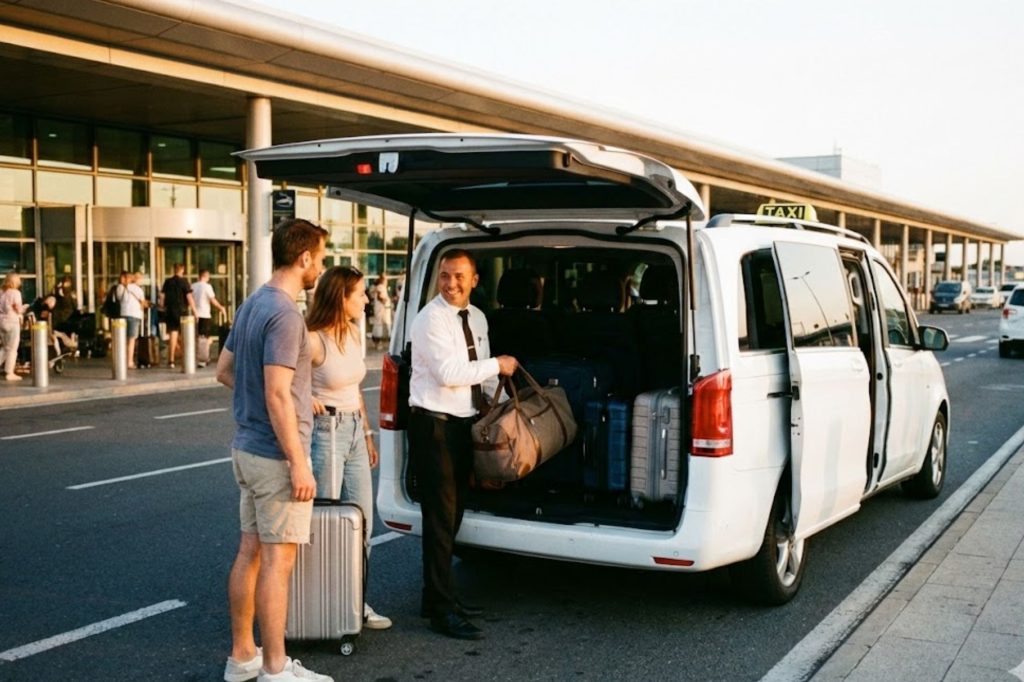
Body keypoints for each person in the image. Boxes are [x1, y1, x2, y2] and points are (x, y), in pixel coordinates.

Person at [215, 218, 332, 682]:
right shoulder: (285, 313)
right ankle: (275, 668)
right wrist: (299, 462)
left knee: (251, 552)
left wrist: (287, 399)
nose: (320, 268)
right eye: (320, 259)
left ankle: (242, 657)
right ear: (304, 257)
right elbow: (278, 392)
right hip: (275, 457)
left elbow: (225, 370)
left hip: (246, 447)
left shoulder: (253, 304)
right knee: (277, 562)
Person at [408, 249, 518, 640]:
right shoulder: (429, 319)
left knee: (453, 518)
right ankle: (441, 609)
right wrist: (498, 365)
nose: (451, 284)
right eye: (444, 276)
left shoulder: (478, 317)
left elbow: (484, 378)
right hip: (433, 426)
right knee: (440, 520)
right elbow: (450, 373)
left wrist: (506, 412)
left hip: (463, 426)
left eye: (458, 277)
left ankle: (435, 597)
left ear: (475, 280)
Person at [306, 265, 391, 631]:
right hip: (326, 431)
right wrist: (305, 397)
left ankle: (354, 602)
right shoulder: (313, 339)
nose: (366, 299)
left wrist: (368, 435)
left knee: (362, 524)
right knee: (324, 524)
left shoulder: (355, 334)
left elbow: (356, 389)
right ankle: (319, 607)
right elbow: (279, 382)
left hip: (355, 430)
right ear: (341, 297)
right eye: (359, 294)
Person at [160, 263, 197, 369]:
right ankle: (185, 358)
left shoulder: (168, 282)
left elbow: (162, 296)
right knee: (186, 335)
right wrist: (195, 311)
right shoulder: (184, 282)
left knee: (173, 335)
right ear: (182, 270)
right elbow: (189, 296)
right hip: (182, 311)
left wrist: (162, 307)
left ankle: (171, 360)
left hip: (170, 311)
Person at [192, 269, 228, 368]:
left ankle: (196, 356)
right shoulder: (207, 287)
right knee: (205, 337)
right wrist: (221, 308)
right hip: (204, 314)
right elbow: (212, 300)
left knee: (197, 337)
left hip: (195, 315)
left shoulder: (193, 286)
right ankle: (203, 358)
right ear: (205, 276)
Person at [0, 273, 30, 381]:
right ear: (14, 282)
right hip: (12, 321)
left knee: (5, 347)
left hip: (1, 321)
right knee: (12, 349)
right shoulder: (15, 293)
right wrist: (25, 307)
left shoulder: (1, 292)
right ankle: (9, 372)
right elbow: (18, 309)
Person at [118, 271, 148, 369]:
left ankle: (122, 360)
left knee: (124, 339)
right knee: (131, 340)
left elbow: (119, 298)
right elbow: (143, 303)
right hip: (134, 315)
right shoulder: (138, 289)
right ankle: (129, 361)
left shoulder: (120, 288)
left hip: (123, 315)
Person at [370, 274, 392, 350]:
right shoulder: (381, 287)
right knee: (379, 325)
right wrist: (386, 301)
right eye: (386, 280)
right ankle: (378, 342)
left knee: (379, 325)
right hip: (381, 310)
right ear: (383, 280)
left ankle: (377, 342)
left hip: (381, 309)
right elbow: (380, 297)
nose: (387, 281)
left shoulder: (380, 287)